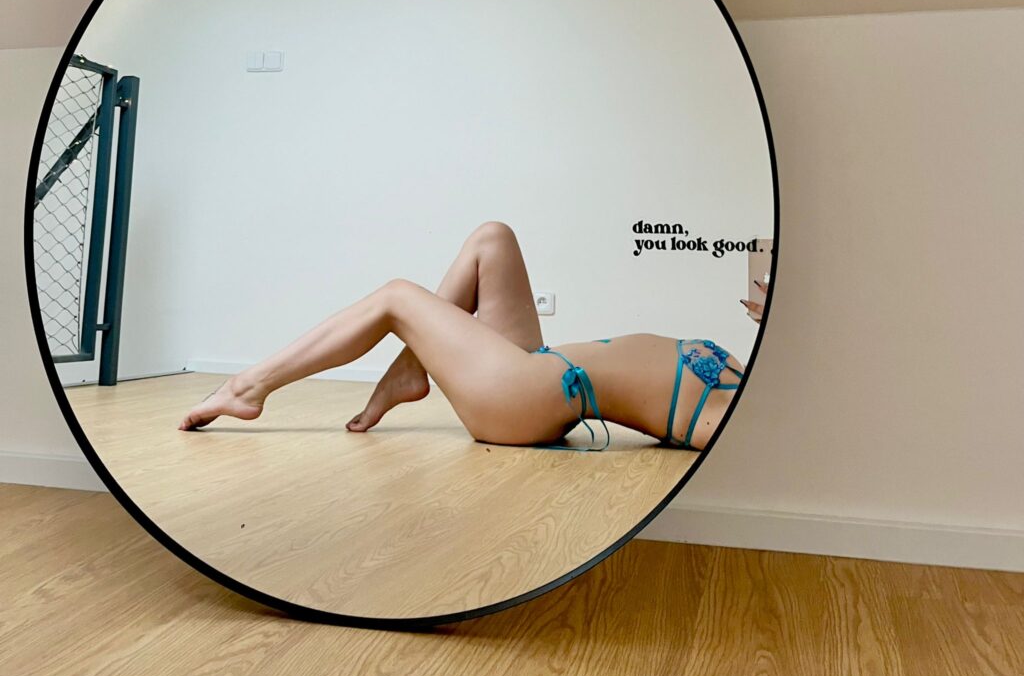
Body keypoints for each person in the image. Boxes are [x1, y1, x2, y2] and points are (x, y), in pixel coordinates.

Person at [179, 222, 766, 450]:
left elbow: (746, 452)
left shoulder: (742, 415)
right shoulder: (746, 373)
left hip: (526, 397)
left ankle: (247, 387)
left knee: (396, 296)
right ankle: (410, 369)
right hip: (536, 368)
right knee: (493, 238)